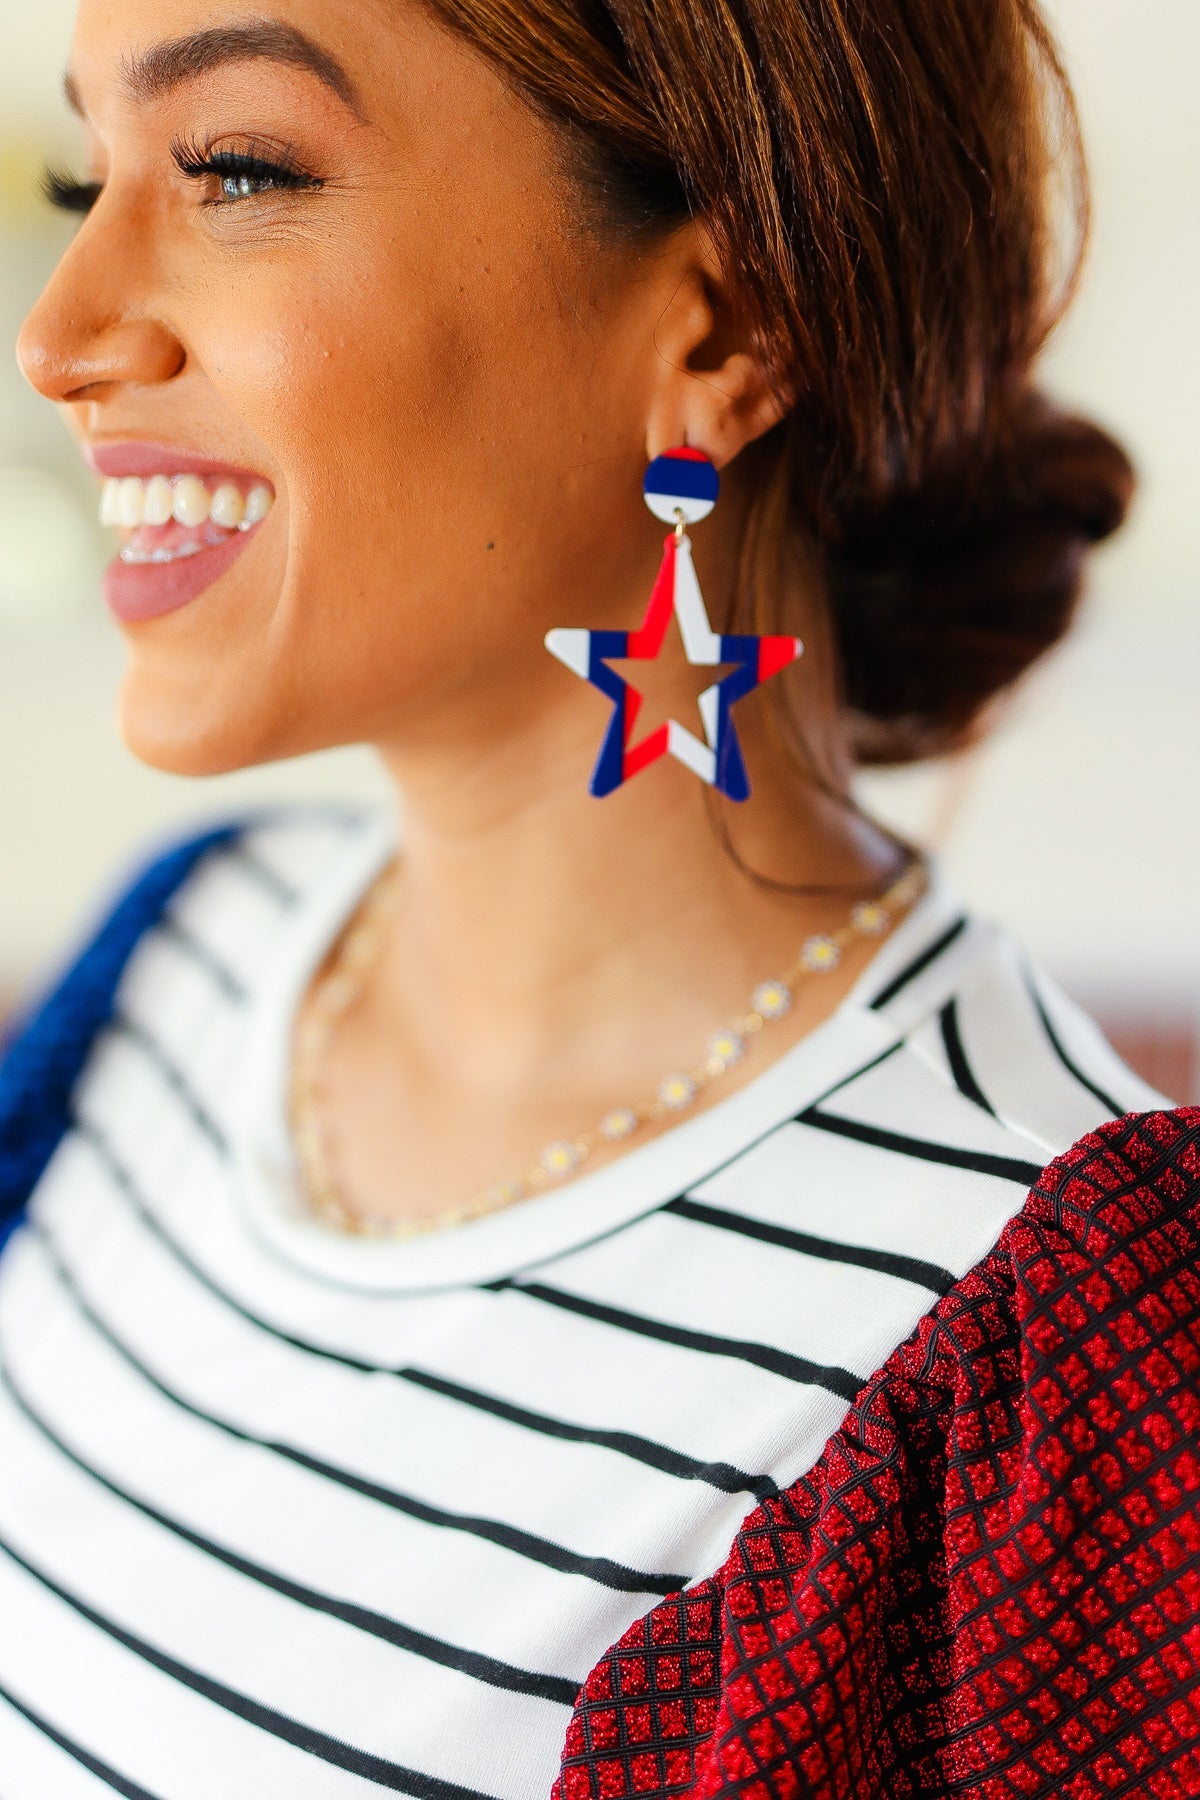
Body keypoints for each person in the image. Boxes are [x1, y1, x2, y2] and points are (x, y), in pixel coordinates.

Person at [0, 0, 1196, 1795]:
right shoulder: (170, 958)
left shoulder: (1063, 1373)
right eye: (89, 173)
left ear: (719, 328)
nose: (58, 336)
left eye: (235, 169)